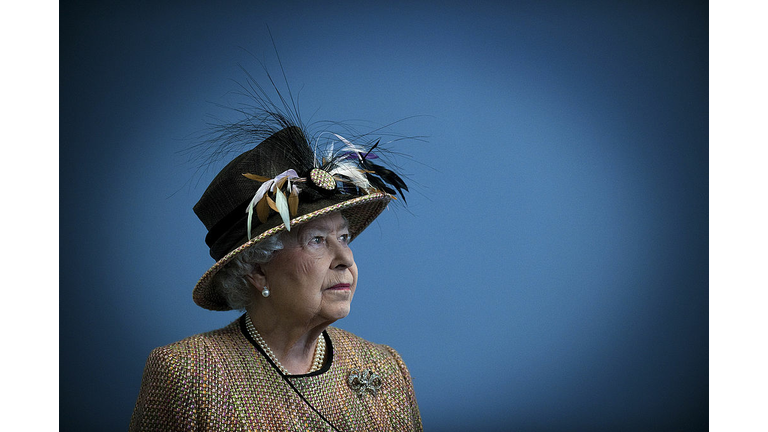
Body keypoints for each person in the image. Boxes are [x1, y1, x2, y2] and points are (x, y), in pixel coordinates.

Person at [129, 114, 422, 431]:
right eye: (316, 240)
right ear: (257, 270)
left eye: (344, 238)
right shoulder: (188, 374)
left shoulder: (386, 367)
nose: (345, 259)